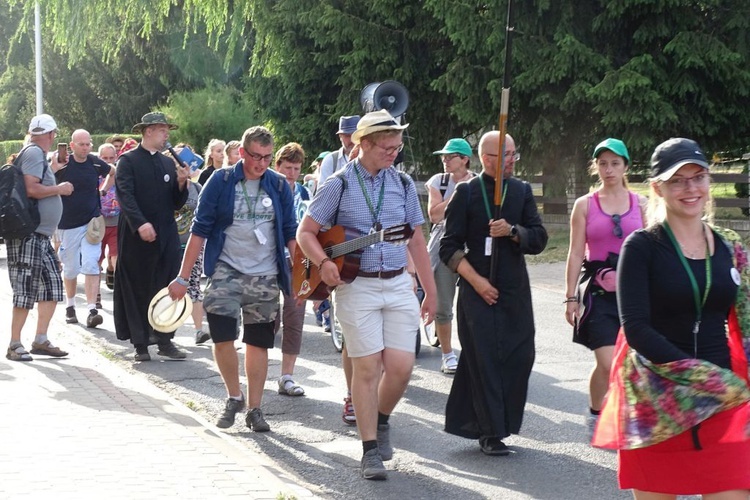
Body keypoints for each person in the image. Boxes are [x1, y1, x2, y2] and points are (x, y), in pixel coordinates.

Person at [593, 138, 750, 497]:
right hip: (657, 402)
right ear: (657, 188)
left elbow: (748, 320)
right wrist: (702, 376)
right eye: (677, 180)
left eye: (698, 177)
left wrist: (730, 383)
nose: (690, 188)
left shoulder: (730, 247)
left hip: (721, 402)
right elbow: (636, 329)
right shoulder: (641, 246)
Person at [297, 109, 437, 480]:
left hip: (396, 283)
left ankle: (382, 418)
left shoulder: (404, 184)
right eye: (386, 147)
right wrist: (324, 261)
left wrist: (430, 290)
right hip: (355, 286)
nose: (394, 152)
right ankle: (369, 449)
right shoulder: (338, 183)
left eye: (397, 146)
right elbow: (305, 232)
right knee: (368, 367)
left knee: (403, 368)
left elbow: (416, 239)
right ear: (364, 144)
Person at [168, 126, 297, 432]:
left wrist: (303, 275)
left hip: (265, 275)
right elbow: (199, 231)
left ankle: (255, 408)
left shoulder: (278, 186)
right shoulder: (221, 181)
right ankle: (233, 396)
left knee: (258, 343)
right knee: (222, 336)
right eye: (255, 156)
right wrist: (183, 278)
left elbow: (291, 232)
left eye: (267, 157)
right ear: (242, 152)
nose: (261, 163)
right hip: (226, 270)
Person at [440, 131, 547, 456]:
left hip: (514, 290)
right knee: (484, 360)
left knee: (520, 354)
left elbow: (539, 238)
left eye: (514, 153)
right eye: (505, 155)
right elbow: (449, 247)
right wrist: (477, 282)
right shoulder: (467, 193)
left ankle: (499, 423)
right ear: (487, 158)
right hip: (476, 291)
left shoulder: (522, 191)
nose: (512, 160)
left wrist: (513, 232)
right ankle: (490, 433)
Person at [563, 138, 645, 435]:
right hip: (598, 295)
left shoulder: (642, 205)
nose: (608, 169)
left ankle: (623, 413)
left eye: (614, 163)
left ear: (625, 166)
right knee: (609, 362)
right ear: (595, 167)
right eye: (602, 163)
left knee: (633, 361)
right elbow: (574, 252)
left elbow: (653, 252)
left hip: (635, 295)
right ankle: (598, 413)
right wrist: (571, 297)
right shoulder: (585, 205)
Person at [114, 112, 190, 362]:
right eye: (162, 130)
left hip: (166, 233)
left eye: (167, 130)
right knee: (138, 286)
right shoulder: (128, 160)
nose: (167, 135)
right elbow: (125, 196)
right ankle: (140, 344)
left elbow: (176, 203)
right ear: (147, 131)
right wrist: (141, 223)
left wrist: (181, 183)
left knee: (166, 285)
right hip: (137, 236)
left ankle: (165, 340)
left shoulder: (168, 163)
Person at [6, 114, 74, 361]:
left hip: (39, 236)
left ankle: (41, 340)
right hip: (29, 235)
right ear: (51, 134)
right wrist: (60, 188)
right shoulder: (34, 153)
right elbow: (32, 189)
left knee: (52, 286)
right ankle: (14, 344)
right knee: (25, 290)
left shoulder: (34, 154)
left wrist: (52, 171)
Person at [55, 129, 115, 328]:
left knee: (91, 263)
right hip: (67, 224)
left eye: (88, 144)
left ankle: (91, 310)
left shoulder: (95, 162)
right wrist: (55, 170)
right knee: (71, 268)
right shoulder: (64, 163)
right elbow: (47, 181)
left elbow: (112, 172)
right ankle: (70, 305)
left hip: (92, 223)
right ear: (72, 146)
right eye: (81, 144)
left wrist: (104, 190)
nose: (86, 147)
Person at [426, 138, 476, 375]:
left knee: (475, 301)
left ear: (464, 159)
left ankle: (476, 352)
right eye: (443, 156)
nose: (444, 160)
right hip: (445, 243)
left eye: (450, 156)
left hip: (472, 242)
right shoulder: (439, 181)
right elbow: (435, 216)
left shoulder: (479, 181)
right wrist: (459, 194)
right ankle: (447, 354)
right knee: (444, 303)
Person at [273, 142, 310, 396]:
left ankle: (287, 375)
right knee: (265, 316)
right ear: (277, 166)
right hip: (268, 257)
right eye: (287, 167)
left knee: (295, 314)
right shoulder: (269, 188)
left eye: (296, 168)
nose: (292, 173)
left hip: (298, 260)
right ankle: (257, 367)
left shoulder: (306, 193)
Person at [171, 145, 209, 345]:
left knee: (193, 285)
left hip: (193, 244)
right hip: (171, 245)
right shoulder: (167, 188)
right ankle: (168, 331)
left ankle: (199, 330)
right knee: (171, 285)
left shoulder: (198, 189)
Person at [97, 143, 120, 294]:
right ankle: (96, 294)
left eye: (111, 157)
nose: (108, 161)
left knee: (116, 256)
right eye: (105, 158)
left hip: (117, 222)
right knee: (95, 261)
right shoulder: (92, 174)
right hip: (97, 224)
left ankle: (119, 291)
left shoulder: (121, 174)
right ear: (99, 158)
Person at [317, 115, 360, 186]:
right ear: (340, 137)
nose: (352, 140)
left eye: (354, 135)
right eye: (347, 136)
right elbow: (323, 193)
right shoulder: (331, 160)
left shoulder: (370, 160)